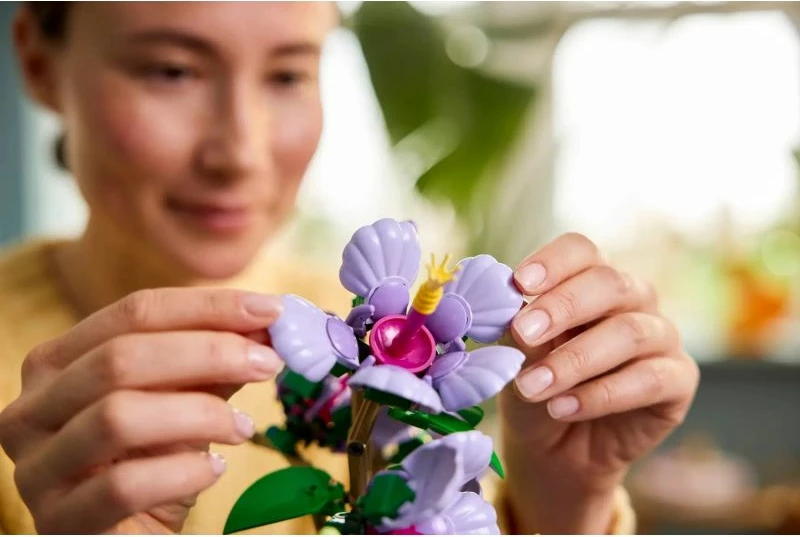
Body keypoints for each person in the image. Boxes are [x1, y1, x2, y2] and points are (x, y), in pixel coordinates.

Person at [0, 2, 700, 534]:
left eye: (287, 74)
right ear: (38, 63)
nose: (241, 151)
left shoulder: (340, 324)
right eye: (172, 70)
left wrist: (559, 501)